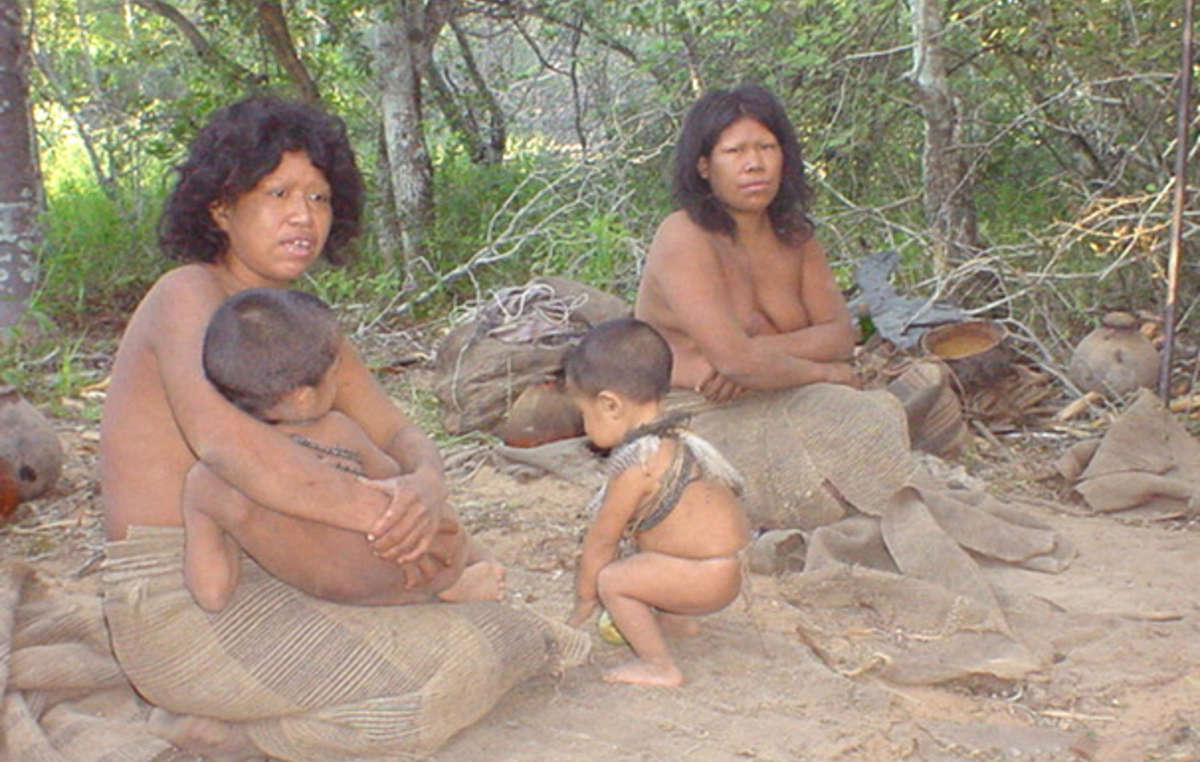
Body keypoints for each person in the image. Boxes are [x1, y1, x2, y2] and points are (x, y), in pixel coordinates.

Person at [100, 95, 467, 600]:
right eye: (279, 194)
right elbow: (225, 446)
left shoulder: (296, 319)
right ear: (222, 209)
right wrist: (387, 516)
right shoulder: (186, 293)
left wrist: (426, 486)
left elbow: (394, 430)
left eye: (319, 198)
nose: (303, 216)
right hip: (175, 581)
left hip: (271, 559)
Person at [183, 287, 504, 611]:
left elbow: (212, 594)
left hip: (336, 590)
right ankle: (459, 581)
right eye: (334, 373)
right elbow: (400, 485)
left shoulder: (205, 482)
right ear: (303, 397)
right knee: (418, 504)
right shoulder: (337, 430)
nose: (339, 384)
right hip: (415, 573)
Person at [634, 82, 859, 402]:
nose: (755, 164)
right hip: (696, 400)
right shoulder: (683, 236)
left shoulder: (796, 238)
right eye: (735, 151)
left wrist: (754, 357)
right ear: (704, 166)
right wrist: (823, 372)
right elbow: (734, 362)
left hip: (787, 388)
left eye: (766, 147)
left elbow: (840, 336)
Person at [564, 318, 750, 687]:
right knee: (651, 553)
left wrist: (586, 599)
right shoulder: (678, 437)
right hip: (724, 569)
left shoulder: (638, 464)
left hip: (706, 578)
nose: (584, 426)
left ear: (610, 405)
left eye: (584, 414)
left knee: (614, 580)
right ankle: (678, 621)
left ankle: (658, 665)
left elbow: (602, 541)